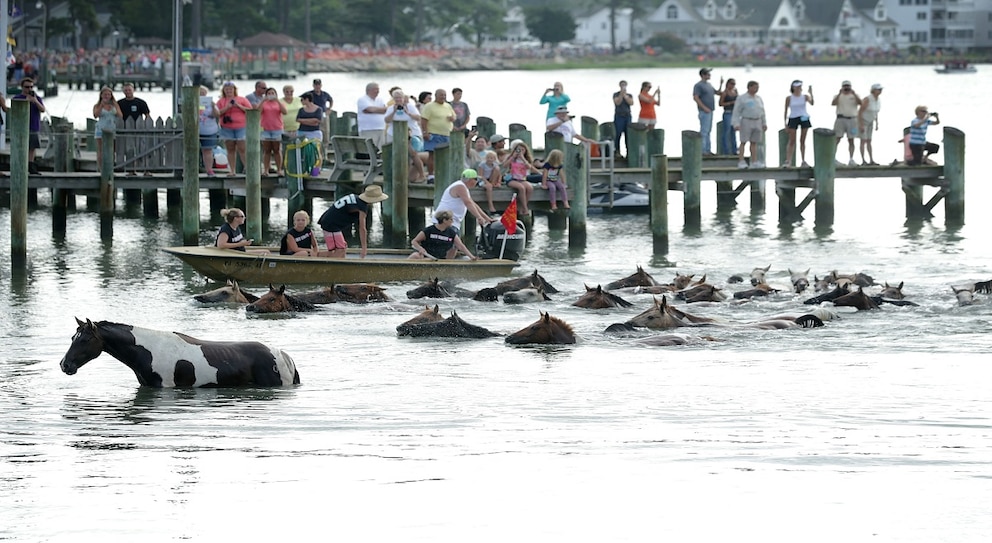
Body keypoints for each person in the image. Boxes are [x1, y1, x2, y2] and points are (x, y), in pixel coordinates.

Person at [317, 185, 389, 258]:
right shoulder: (362, 207)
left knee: (342, 248)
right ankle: (316, 258)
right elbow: (362, 228)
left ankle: (318, 257)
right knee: (340, 249)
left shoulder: (355, 198)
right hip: (331, 225)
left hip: (328, 221)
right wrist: (364, 248)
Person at [435, 169, 495, 246]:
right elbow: (468, 203)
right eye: (476, 179)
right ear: (470, 180)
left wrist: (487, 218)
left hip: (453, 221)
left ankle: (448, 258)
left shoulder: (464, 188)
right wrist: (479, 217)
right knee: (453, 245)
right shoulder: (460, 186)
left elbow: (473, 204)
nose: (477, 182)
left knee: (455, 246)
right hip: (444, 220)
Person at [384, 89, 427, 183]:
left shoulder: (410, 107)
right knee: (398, 155)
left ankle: (421, 174)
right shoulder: (391, 108)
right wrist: (394, 111)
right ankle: (401, 176)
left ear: (403, 98)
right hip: (395, 135)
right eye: (396, 98)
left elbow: (418, 118)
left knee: (413, 154)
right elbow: (387, 120)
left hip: (412, 135)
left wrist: (408, 112)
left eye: (400, 97)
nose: (398, 100)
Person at [409, 209, 478, 260]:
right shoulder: (429, 230)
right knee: (415, 255)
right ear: (444, 220)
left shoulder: (451, 232)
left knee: (454, 249)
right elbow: (414, 241)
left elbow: (461, 246)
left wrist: (471, 256)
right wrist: (420, 248)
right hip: (427, 256)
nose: (452, 221)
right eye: (451, 219)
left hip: (443, 259)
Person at [420, 88, 456, 180]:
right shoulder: (429, 106)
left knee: (445, 155)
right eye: (441, 95)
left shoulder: (448, 106)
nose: (443, 97)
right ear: (436, 96)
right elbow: (424, 120)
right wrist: (425, 132)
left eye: (444, 95)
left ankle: (443, 174)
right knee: (432, 154)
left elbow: (454, 116)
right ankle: (431, 175)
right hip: (433, 133)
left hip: (446, 134)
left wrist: (452, 118)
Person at [500, 140, 542, 216]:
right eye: (519, 150)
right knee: (521, 188)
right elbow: (505, 165)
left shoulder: (526, 159)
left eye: (523, 150)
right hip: (511, 178)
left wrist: (522, 158)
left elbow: (529, 167)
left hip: (522, 179)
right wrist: (513, 156)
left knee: (530, 188)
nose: (520, 151)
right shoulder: (511, 158)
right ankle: (525, 208)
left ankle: (523, 206)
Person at [13, 77, 45, 174]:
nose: (29, 89)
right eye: (27, 87)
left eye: (31, 87)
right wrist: (27, 101)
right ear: (22, 87)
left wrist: (35, 101)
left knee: (32, 148)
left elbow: (43, 109)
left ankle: (31, 166)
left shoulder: (37, 98)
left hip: (33, 126)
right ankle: (20, 166)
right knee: (22, 147)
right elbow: (15, 112)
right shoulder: (17, 98)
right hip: (21, 127)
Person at [731, 80, 766, 169]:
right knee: (743, 141)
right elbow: (736, 111)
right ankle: (741, 161)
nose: (756, 89)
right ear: (749, 87)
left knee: (754, 142)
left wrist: (764, 122)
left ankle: (754, 161)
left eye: (757, 87)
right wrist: (736, 123)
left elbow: (762, 111)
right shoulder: (742, 98)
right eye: (755, 87)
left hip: (757, 120)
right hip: (746, 120)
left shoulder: (759, 98)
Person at [218, 81, 250, 176]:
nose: (229, 91)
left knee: (242, 148)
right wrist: (228, 107)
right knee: (230, 149)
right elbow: (217, 112)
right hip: (227, 127)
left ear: (234, 90)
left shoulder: (242, 99)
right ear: (224, 90)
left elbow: (250, 110)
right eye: (227, 89)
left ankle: (247, 168)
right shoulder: (221, 101)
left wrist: (238, 106)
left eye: (231, 89)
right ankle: (232, 170)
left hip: (241, 127)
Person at [783, 80, 814, 167]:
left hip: (804, 117)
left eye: (800, 86)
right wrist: (785, 123)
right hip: (793, 117)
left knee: (802, 141)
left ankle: (803, 160)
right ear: (793, 87)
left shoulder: (805, 97)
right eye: (797, 87)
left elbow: (812, 103)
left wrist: (811, 93)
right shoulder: (789, 98)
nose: (799, 88)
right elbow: (785, 110)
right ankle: (788, 160)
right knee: (792, 140)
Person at [257, 87, 287, 176]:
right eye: (269, 93)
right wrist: (263, 101)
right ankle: (266, 170)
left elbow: (284, 112)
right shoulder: (264, 103)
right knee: (267, 150)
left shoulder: (279, 103)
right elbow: (258, 111)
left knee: (277, 150)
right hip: (266, 129)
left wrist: (277, 100)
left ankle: (279, 170)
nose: (271, 95)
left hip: (277, 128)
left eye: (272, 93)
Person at [92, 86, 123, 169]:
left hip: (112, 128)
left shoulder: (114, 105)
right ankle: (100, 168)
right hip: (100, 128)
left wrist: (115, 105)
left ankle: (110, 167)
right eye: (105, 94)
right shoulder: (97, 105)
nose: (107, 96)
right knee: (101, 150)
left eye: (109, 94)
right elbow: (95, 115)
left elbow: (120, 115)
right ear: (101, 95)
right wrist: (101, 105)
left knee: (111, 150)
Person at [832, 80, 861, 166]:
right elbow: (833, 103)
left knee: (851, 140)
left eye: (848, 86)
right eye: (845, 86)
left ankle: (851, 159)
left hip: (852, 120)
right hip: (840, 119)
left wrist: (854, 94)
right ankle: (833, 158)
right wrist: (839, 94)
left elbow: (861, 103)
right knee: (837, 139)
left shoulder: (855, 96)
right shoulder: (838, 96)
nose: (846, 88)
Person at [692, 67, 716, 155]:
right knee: (704, 131)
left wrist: (721, 84)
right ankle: (703, 150)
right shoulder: (698, 85)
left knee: (708, 131)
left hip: (711, 111)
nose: (709, 75)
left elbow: (716, 92)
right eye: (707, 74)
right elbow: (696, 97)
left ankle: (708, 149)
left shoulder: (709, 85)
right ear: (703, 75)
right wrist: (703, 107)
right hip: (704, 111)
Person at [357, 82, 387, 149]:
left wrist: (378, 110)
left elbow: (386, 110)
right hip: (367, 129)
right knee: (369, 149)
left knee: (381, 150)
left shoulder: (380, 99)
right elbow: (370, 110)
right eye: (375, 89)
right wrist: (380, 110)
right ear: (369, 90)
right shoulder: (362, 99)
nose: (378, 91)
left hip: (381, 128)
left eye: (378, 89)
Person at [197, 85, 219, 177]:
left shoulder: (211, 103)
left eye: (204, 93)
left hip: (209, 130)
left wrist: (213, 107)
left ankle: (209, 170)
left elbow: (217, 115)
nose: (202, 95)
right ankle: (192, 170)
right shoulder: (194, 102)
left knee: (208, 150)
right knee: (192, 150)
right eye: (200, 93)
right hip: (196, 130)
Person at [859, 83, 883, 166]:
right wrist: (860, 124)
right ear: (873, 90)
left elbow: (876, 112)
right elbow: (860, 112)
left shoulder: (878, 100)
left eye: (881, 89)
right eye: (878, 89)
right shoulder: (867, 99)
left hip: (871, 122)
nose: (880, 91)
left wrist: (877, 123)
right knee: (863, 141)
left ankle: (871, 160)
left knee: (869, 141)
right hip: (864, 121)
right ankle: (863, 160)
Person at [613, 80, 634, 158]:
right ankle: (617, 151)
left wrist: (625, 95)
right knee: (617, 134)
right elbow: (617, 102)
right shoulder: (616, 94)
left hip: (627, 116)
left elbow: (631, 103)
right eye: (622, 85)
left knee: (628, 135)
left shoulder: (629, 95)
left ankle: (628, 152)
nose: (623, 87)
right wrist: (621, 95)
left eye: (624, 85)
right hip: (619, 116)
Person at [717, 77, 738, 155]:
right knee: (727, 132)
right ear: (728, 84)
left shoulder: (735, 91)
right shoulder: (724, 93)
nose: (733, 85)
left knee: (733, 132)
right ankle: (726, 150)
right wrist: (730, 103)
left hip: (734, 113)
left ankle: (734, 150)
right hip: (727, 112)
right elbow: (720, 103)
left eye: (734, 84)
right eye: (731, 84)